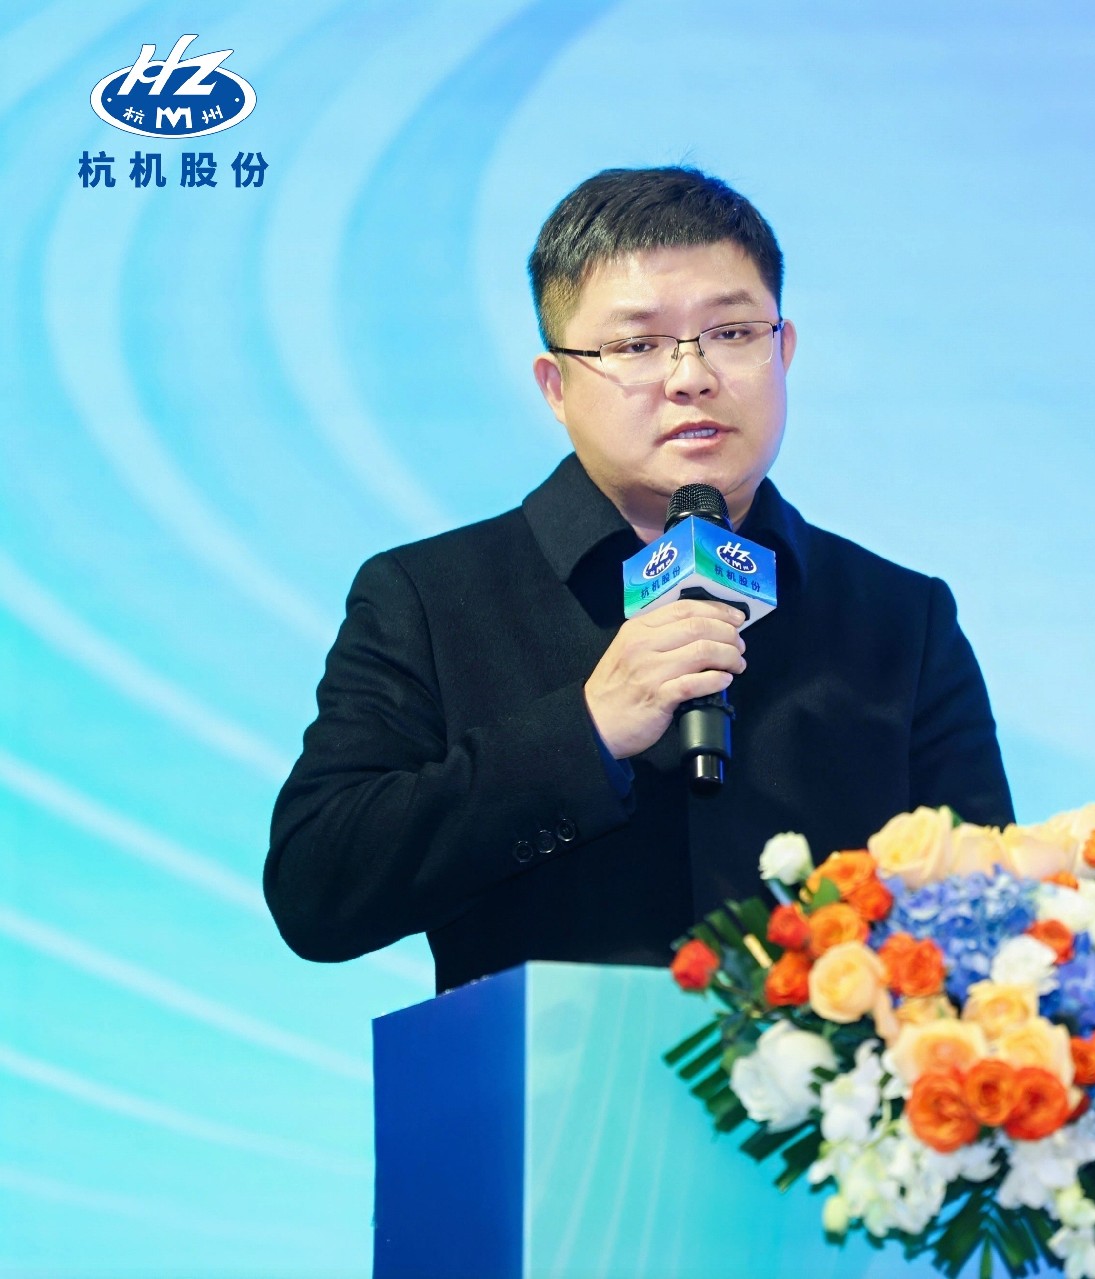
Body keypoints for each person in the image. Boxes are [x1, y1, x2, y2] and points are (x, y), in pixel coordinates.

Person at [264, 167, 1014, 993]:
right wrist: (585, 729)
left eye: (733, 332)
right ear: (556, 386)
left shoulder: (900, 617)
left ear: (784, 350)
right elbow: (316, 889)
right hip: (549, 1075)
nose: (691, 376)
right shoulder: (432, 599)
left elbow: (995, 921)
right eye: (636, 346)